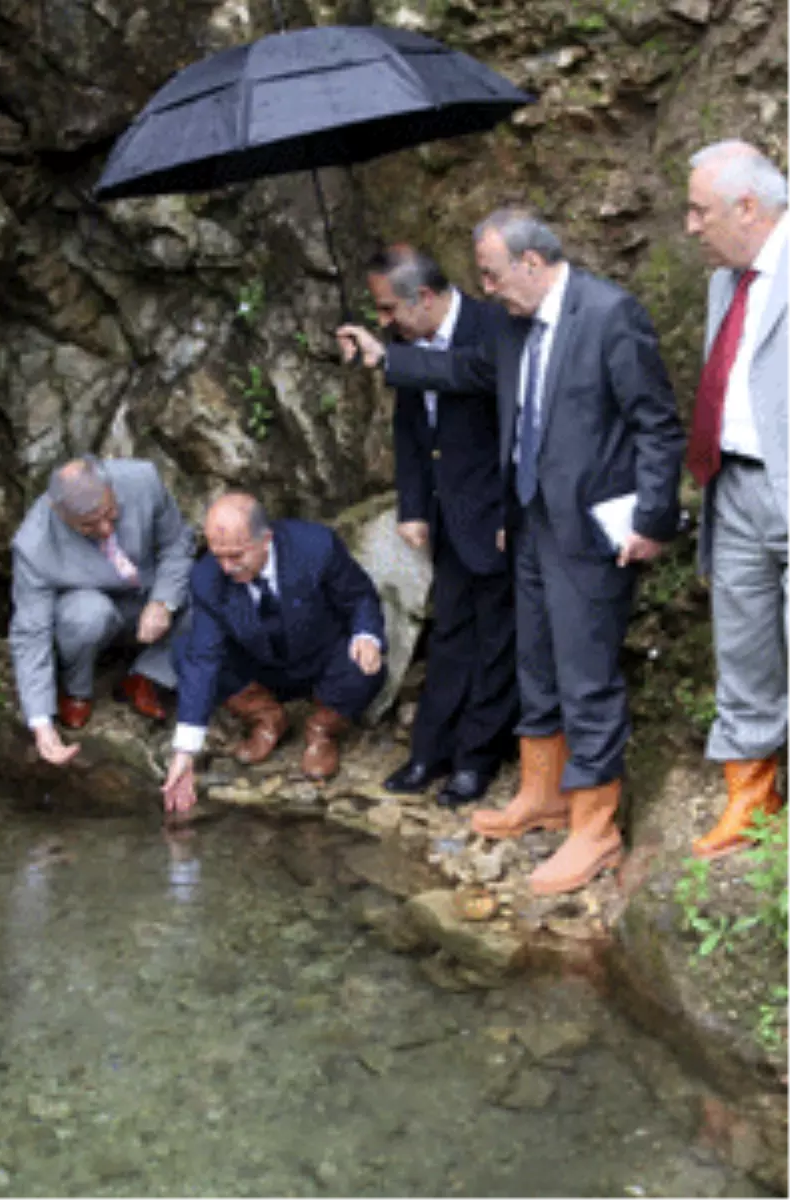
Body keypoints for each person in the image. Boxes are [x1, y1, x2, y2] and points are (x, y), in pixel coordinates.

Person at [338, 209, 684, 895]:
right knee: (537, 666)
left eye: (492, 274)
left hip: (590, 530)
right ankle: (542, 793)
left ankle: (594, 829)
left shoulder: (611, 314)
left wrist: (651, 516)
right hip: (525, 520)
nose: (485, 288)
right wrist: (388, 359)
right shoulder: (517, 327)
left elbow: (658, 423)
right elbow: (466, 370)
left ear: (531, 263)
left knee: (587, 676)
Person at [364, 245, 518, 808]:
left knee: (498, 639)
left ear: (423, 298)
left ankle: (476, 759)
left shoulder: (493, 326)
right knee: (450, 631)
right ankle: (430, 750)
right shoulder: (406, 345)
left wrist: (510, 513)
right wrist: (412, 507)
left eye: (388, 309)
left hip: (495, 515)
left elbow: (516, 435)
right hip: (447, 515)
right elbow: (410, 430)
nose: (384, 322)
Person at [684, 140, 789, 857]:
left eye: (701, 211)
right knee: (745, 644)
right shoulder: (726, 278)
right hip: (737, 486)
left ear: (747, 207)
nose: (690, 227)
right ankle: (752, 796)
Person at [162, 494, 386, 809]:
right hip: (260, 665)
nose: (226, 567)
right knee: (186, 650)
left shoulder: (316, 546)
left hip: (322, 656)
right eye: (219, 556)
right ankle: (267, 717)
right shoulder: (206, 576)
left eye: (236, 555)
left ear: (265, 539)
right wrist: (184, 752)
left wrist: (367, 635)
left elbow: (360, 598)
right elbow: (204, 659)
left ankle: (322, 731)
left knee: (365, 665)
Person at [9, 456, 195, 766]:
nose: (106, 528)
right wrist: (41, 724)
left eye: (110, 514)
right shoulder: (33, 544)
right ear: (59, 514)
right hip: (88, 612)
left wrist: (163, 601)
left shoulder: (143, 479)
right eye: (88, 525)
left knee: (206, 589)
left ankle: (147, 675)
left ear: (110, 486)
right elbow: (30, 632)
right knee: (88, 614)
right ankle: (77, 690)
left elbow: (178, 544)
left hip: (147, 595)